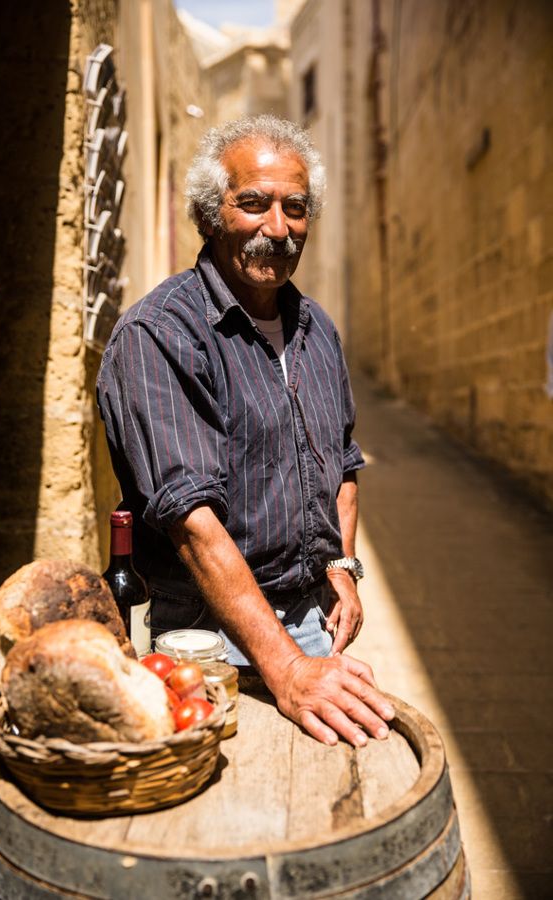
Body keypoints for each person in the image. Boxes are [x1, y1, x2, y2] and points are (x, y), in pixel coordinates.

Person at [97, 115, 394, 747]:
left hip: (312, 620)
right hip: (208, 640)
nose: (278, 228)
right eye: (253, 204)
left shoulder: (315, 328)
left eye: (295, 207)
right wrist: (285, 667)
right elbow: (192, 522)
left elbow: (341, 464)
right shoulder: (160, 336)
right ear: (208, 217)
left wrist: (342, 565)